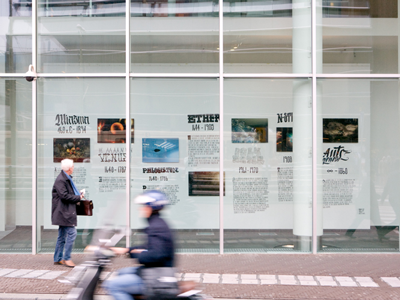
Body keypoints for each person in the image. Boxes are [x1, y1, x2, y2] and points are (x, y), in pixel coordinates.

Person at [103, 190, 174, 300]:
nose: (140, 208)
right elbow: (149, 246)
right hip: (155, 269)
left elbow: (156, 254)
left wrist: (137, 254)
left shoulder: (157, 227)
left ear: (150, 207)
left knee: (112, 285)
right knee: (122, 272)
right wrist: (126, 250)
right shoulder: (156, 223)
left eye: (143, 206)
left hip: (157, 275)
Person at [52, 158, 84, 267]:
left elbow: (65, 194)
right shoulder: (61, 180)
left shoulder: (65, 178)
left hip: (63, 211)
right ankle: (67, 258)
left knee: (62, 235)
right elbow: (64, 196)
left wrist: (77, 195)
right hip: (64, 212)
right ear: (70, 168)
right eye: (73, 166)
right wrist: (78, 197)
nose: (74, 167)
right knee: (72, 233)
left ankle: (58, 258)